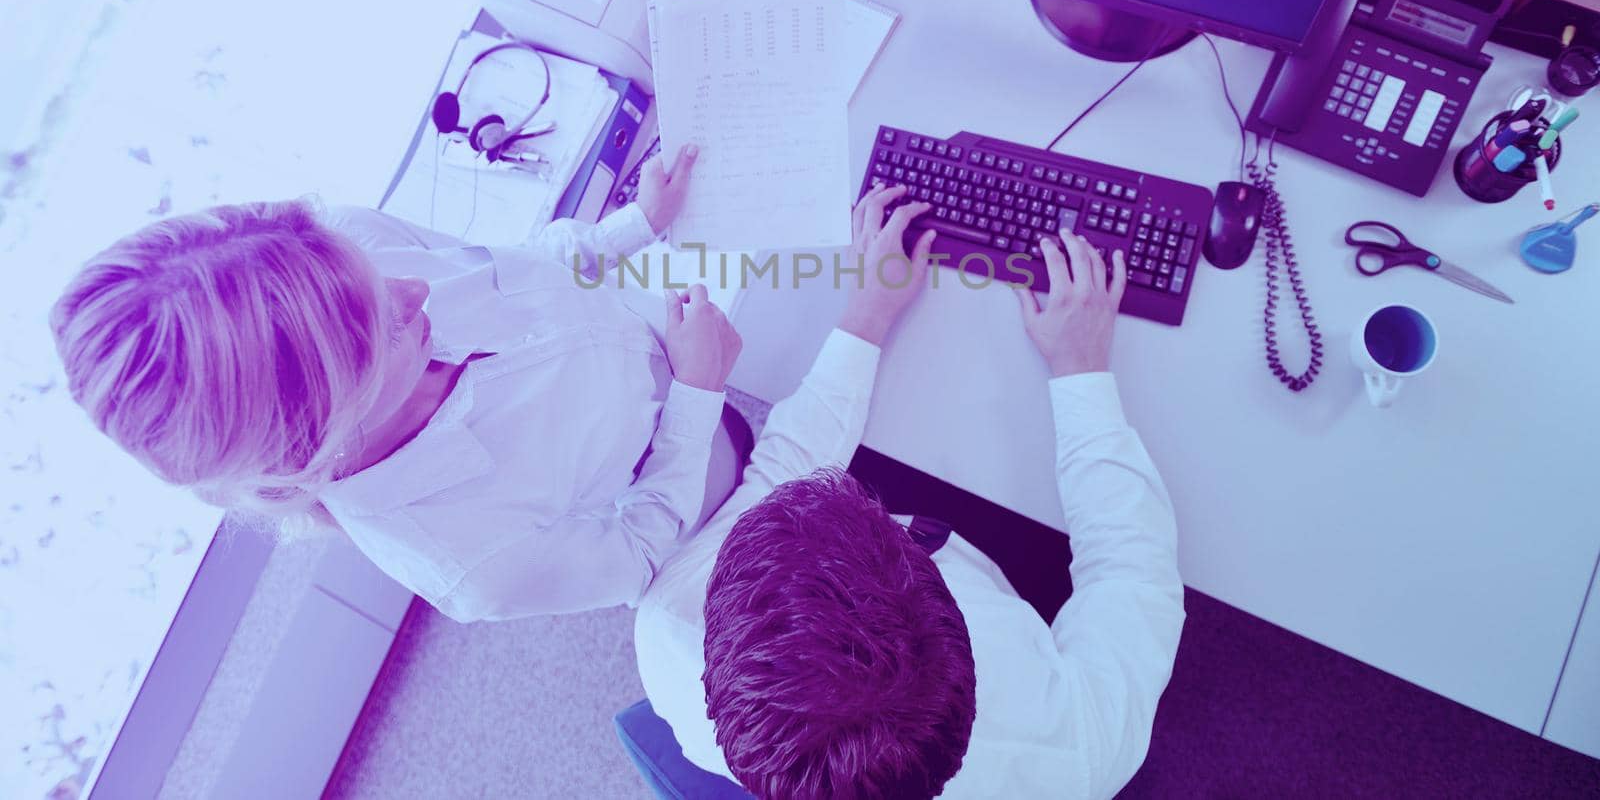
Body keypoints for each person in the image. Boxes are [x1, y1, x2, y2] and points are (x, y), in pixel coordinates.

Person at [634, 185, 1185, 799]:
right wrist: (1083, 370)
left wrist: (867, 312)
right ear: (947, 610)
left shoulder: (671, 629)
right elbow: (1135, 575)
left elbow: (776, 477)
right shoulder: (1075, 754)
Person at [50, 147, 749, 621]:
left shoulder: (350, 239)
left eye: (370, 273)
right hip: (692, 488)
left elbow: (523, 267)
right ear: (315, 438)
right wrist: (697, 393)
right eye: (382, 327)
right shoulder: (467, 559)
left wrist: (636, 224)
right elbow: (639, 553)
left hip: (673, 338)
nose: (415, 289)